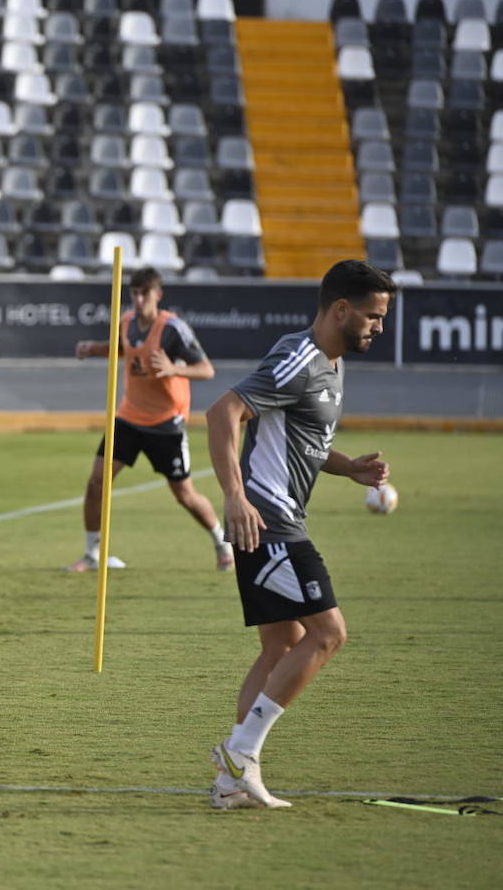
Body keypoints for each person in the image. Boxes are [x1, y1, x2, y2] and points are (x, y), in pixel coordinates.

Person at [205, 260, 395, 809]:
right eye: (372, 316)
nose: (379, 327)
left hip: (278, 519)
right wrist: (235, 497)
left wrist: (348, 467)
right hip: (268, 522)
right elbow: (224, 413)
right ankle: (241, 752)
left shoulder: (332, 365)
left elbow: (298, 438)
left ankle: (230, 783)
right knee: (329, 633)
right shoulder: (301, 357)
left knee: (281, 646)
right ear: (340, 309)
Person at [68, 268, 233, 572]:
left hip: (165, 423)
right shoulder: (127, 321)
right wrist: (92, 348)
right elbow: (124, 350)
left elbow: (206, 369)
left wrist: (174, 369)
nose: (139, 299)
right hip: (129, 417)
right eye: (135, 293)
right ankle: (94, 553)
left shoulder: (173, 329)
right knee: (96, 482)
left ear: (158, 295)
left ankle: (221, 541)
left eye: (145, 293)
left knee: (184, 495)